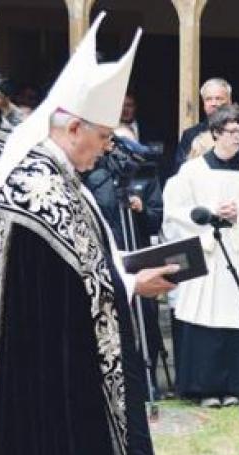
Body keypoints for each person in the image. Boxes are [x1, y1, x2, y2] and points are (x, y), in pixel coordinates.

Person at [0, 15, 174, 455]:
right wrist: (130, 284)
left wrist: (127, 280)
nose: (108, 148)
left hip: (64, 366)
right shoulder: (40, 186)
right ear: (71, 127)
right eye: (103, 137)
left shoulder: (61, 176)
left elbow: (89, 275)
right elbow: (77, 286)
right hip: (49, 377)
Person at [163, 104, 239, 408]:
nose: (238, 137)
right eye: (231, 132)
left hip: (238, 251)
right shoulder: (192, 171)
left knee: (234, 318)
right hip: (207, 250)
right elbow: (174, 210)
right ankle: (203, 388)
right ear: (215, 133)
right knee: (205, 318)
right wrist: (208, 215)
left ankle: (233, 386)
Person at [83, 128, 166, 396]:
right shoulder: (88, 170)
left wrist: (141, 210)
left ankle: (147, 377)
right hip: (107, 252)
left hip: (137, 250)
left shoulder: (141, 173)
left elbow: (156, 218)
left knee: (147, 317)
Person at [173, 78, 239, 171]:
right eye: (208, 99)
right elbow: (179, 171)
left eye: (219, 98)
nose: (214, 103)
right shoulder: (190, 134)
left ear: (229, 101)